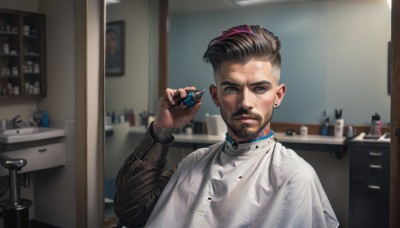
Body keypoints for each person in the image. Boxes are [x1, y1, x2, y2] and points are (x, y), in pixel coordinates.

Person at [114, 24, 339, 228]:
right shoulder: (194, 162)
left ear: (278, 95)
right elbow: (131, 212)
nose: (245, 103)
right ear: (215, 95)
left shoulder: (295, 176)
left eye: (259, 88)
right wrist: (162, 128)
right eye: (231, 88)